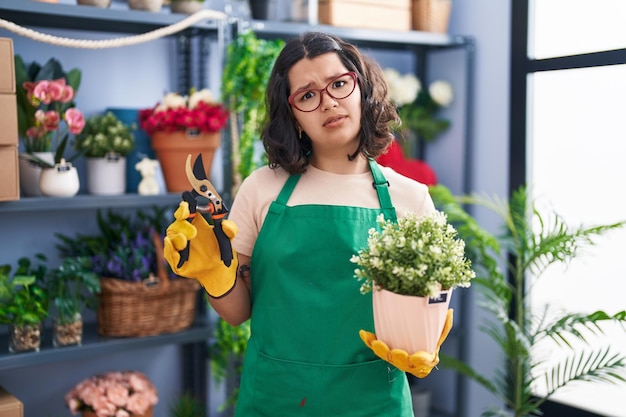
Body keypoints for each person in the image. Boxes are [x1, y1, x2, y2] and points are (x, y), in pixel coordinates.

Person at [164, 31, 437, 416]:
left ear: (362, 89)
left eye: (339, 84)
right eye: (307, 95)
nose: (328, 103)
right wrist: (215, 276)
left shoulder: (410, 198)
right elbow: (238, 312)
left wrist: (422, 345)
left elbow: (426, 310)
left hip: (374, 402)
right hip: (276, 399)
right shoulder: (262, 188)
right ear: (291, 113)